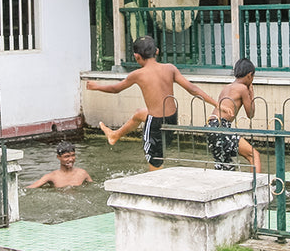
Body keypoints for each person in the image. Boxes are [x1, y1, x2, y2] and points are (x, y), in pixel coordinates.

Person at [88, 36, 216, 170]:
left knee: (155, 162)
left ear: (136, 56)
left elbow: (115, 89)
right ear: (157, 51)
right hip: (172, 118)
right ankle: (115, 135)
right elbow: (192, 89)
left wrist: (96, 86)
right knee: (139, 113)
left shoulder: (138, 74)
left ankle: (156, 186)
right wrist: (217, 104)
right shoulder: (170, 68)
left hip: (155, 124)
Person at [207, 58, 261, 173]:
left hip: (210, 125)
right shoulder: (242, 88)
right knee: (254, 155)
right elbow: (250, 114)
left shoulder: (227, 87)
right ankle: (256, 188)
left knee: (224, 165)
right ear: (249, 75)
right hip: (221, 126)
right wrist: (251, 93)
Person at [26, 141, 92, 188]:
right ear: (58, 157)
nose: (71, 159)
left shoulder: (82, 173)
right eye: (67, 156)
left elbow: (94, 187)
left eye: (73, 155)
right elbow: (31, 188)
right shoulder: (52, 176)